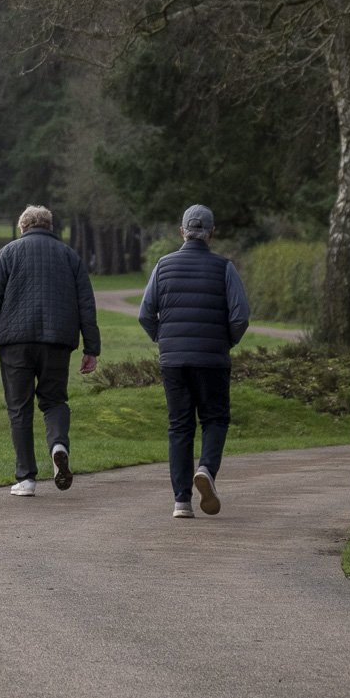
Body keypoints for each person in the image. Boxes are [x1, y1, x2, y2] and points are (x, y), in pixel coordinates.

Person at [0, 205, 101, 497]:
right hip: (57, 341)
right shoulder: (70, 256)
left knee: (19, 407)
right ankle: (58, 446)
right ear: (50, 227)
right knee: (54, 401)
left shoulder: (9, 253)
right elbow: (86, 304)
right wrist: (91, 347)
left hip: (15, 342)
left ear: (22, 227)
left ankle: (26, 478)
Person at [138, 204, 251, 518]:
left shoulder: (163, 266)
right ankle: (207, 470)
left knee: (179, 426)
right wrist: (226, 340)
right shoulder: (224, 268)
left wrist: (164, 340)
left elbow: (145, 314)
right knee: (215, 419)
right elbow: (240, 316)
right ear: (212, 234)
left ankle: (181, 501)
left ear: (182, 232)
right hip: (213, 358)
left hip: (174, 360)